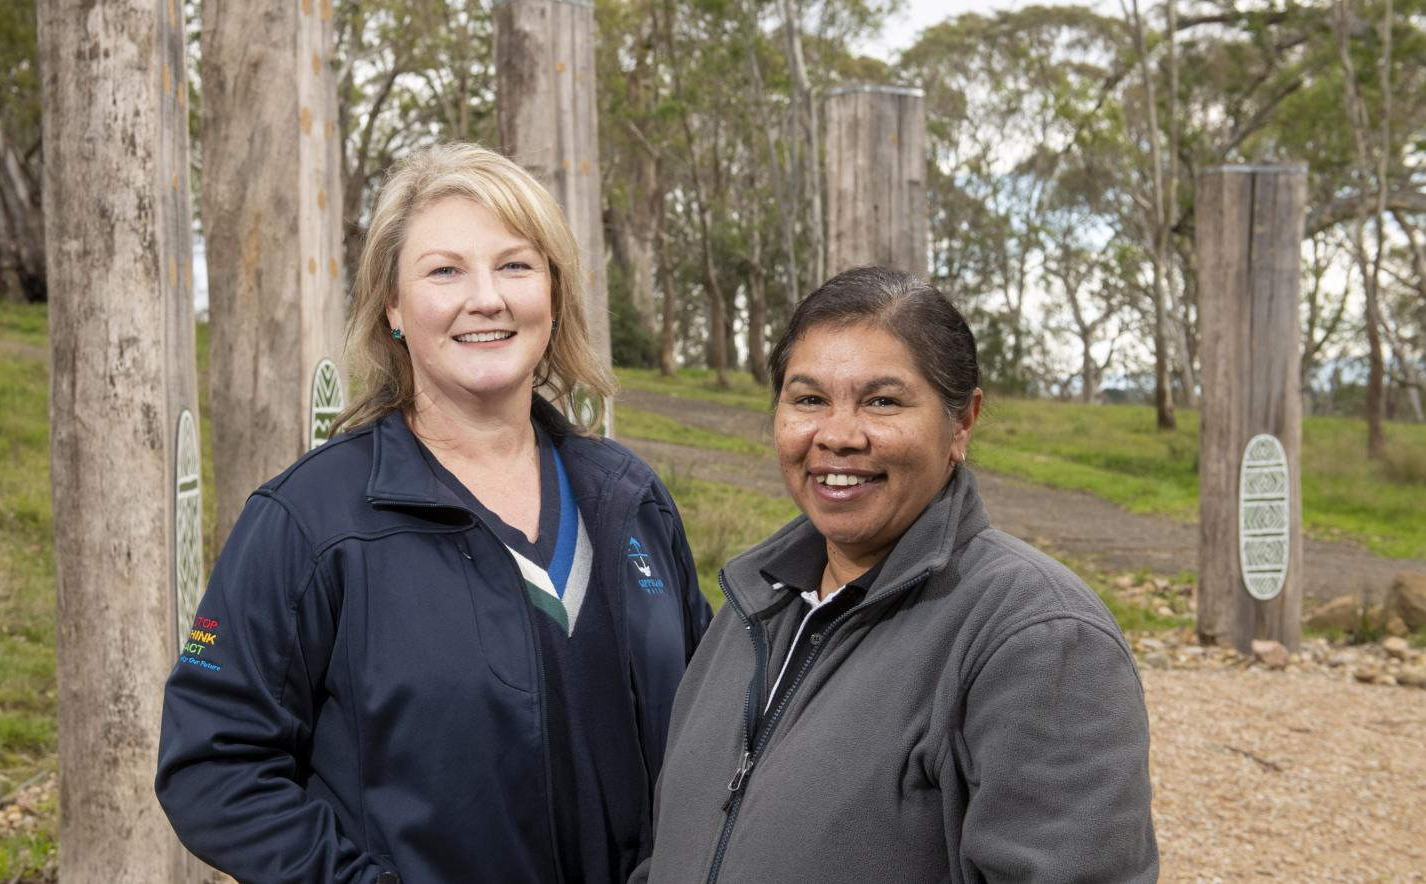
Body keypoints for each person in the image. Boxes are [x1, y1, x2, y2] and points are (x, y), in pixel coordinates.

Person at [157, 143, 713, 884]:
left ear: (553, 293)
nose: (486, 297)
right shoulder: (309, 523)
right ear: (393, 306)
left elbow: (712, 727)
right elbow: (213, 764)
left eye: (515, 264)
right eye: (445, 270)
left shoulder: (628, 499)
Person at [634, 267, 1157, 884]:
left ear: (961, 423)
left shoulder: (1037, 639)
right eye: (808, 399)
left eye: (882, 401)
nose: (837, 435)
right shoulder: (751, 608)